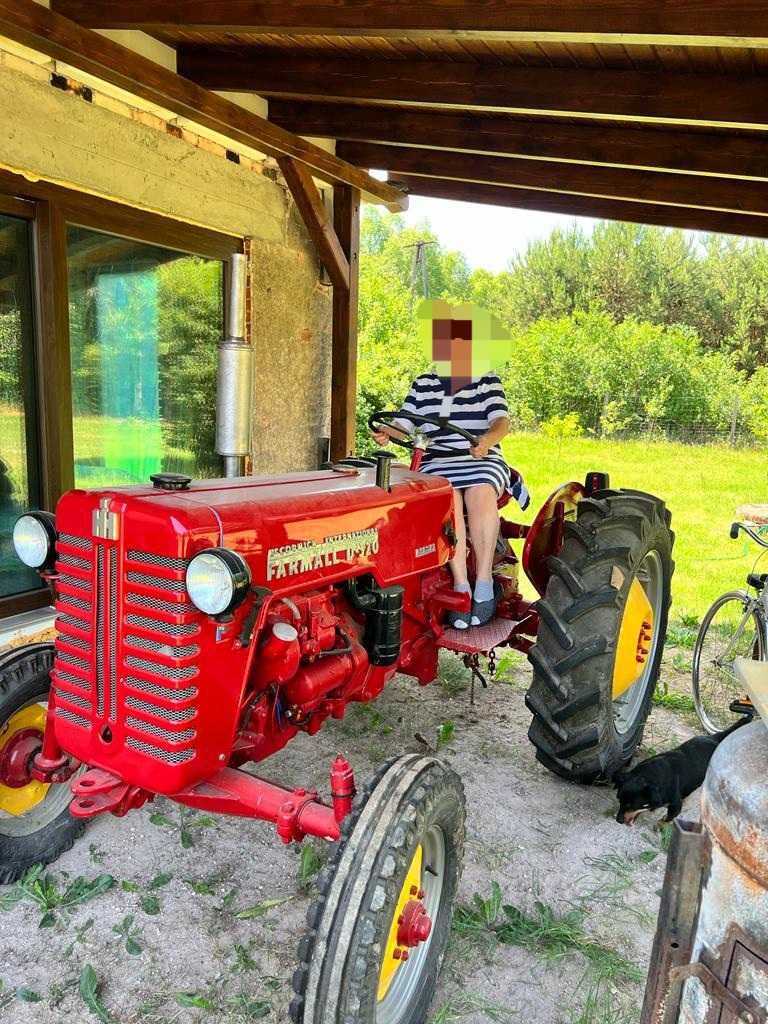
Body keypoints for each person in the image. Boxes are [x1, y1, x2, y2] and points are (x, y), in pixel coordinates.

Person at [372, 354, 528, 630]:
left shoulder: (485, 381)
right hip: (438, 460)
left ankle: (483, 581)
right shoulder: (424, 384)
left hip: (480, 457)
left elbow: (501, 423)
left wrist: (486, 441)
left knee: (479, 491)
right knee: (446, 498)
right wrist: (388, 431)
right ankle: (460, 584)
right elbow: (403, 425)